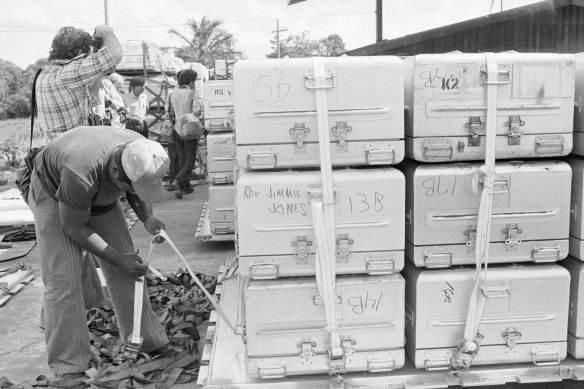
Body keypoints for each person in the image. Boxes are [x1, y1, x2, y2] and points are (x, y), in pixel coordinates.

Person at [28, 126, 170, 378]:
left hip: (99, 192)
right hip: (54, 192)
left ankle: (146, 338)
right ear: (115, 171)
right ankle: (68, 363)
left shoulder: (141, 150)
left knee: (131, 269)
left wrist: (147, 217)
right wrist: (115, 258)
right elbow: (74, 226)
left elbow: (137, 186)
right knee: (64, 280)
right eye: (128, 184)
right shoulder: (80, 172)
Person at [36, 25, 123, 142]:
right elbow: (115, 55)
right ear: (79, 52)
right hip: (72, 152)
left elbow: (92, 92)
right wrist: (105, 31)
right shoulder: (68, 73)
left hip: (54, 151)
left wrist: (96, 51)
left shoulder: (46, 72)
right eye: (87, 53)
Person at [169, 69, 198, 199]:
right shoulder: (191, 93)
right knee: (190, 160)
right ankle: (177, 180)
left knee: (182, 158)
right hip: (189, 127)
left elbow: (169, 111)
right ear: (191, 81)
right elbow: (196, 111)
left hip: (176, 128)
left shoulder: (172, 93)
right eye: (194, 81)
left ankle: (183, 187)